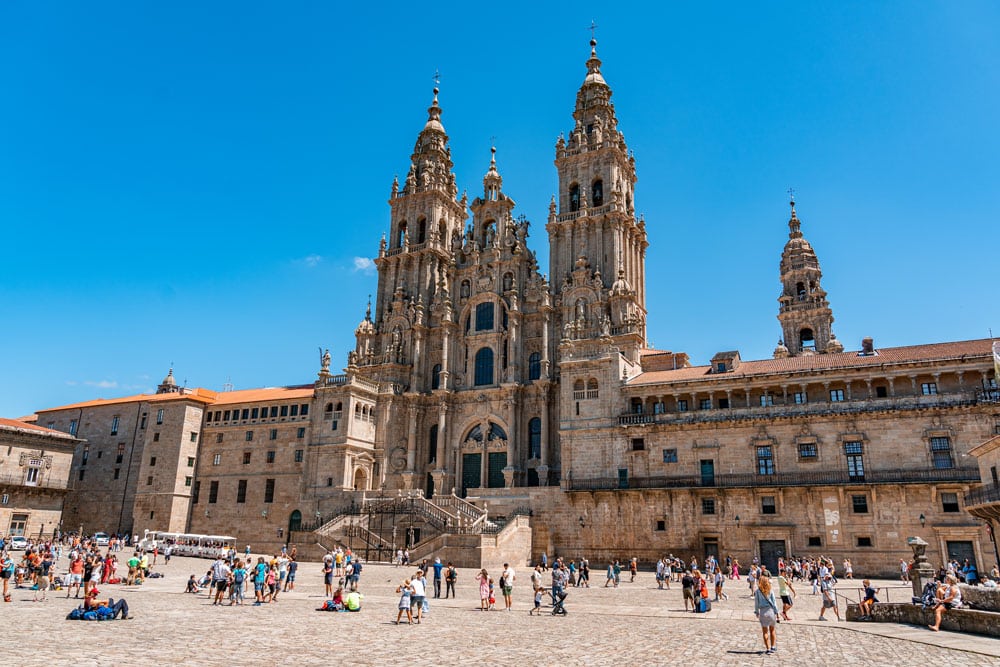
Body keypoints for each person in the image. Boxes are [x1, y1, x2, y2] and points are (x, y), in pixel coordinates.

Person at [753, 574, 779, 654]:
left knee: (765, 632)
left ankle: (768, 649)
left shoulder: (757, 592)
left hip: (763, 612)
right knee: (772, 630)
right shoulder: (770, 590)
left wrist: (757, 612)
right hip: (771, 611)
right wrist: (777, 612)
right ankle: (773, 647)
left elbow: (756, 603)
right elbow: (774, 602)